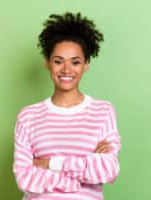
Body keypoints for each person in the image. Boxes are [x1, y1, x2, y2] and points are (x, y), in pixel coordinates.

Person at [13, 12, 121, 200]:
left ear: (86, 64)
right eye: (58, 61)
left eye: (75, 62)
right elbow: (24, 177)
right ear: (47, 63)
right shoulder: (28, 116)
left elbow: (107, 170)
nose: (66, 69)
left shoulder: (103, 111)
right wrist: (77, 177)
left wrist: (50, 163)